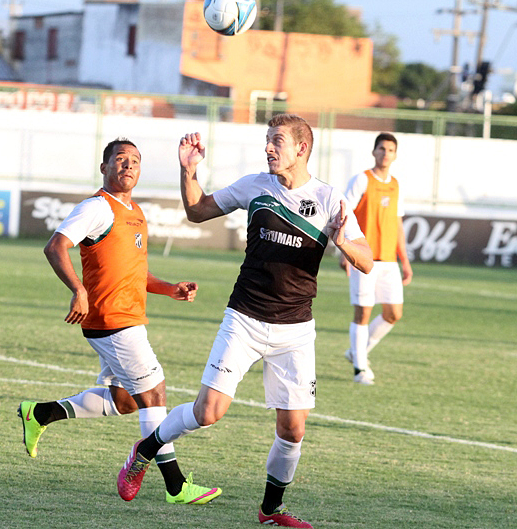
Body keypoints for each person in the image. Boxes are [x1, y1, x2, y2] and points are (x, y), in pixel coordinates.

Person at [116, 115, 373, 528]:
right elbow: (198, 211)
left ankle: (271, 510)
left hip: (295, 331)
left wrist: (343, 243)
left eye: (276, 141)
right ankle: (142, 452)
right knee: (208, 411)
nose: (268, 148)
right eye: (267, 141)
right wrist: (189, 171)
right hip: (245, 319)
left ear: (301, 148)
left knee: (292, 430)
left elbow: (366, 260)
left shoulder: (329, 200)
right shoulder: (255, 186)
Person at [18, 137, 221, 506]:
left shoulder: (135, 212)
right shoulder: (97, 207)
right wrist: (78, 290)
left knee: (125, 400)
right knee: (154, 394)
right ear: (105, 168)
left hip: (125, 318)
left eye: (135, 161)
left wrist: (169, 289)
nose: (128, 165)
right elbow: (55, 246)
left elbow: (135, 272)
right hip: (113, 320)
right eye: (120, 159)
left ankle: (41, 413)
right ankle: (175, 485)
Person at [340, 132, 413, 385]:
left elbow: (397, 223)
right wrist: (345, 251)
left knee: (394, 313)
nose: (385, 153)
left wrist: (405, 260)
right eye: (381, 149)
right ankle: (360, 369)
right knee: (363, 312)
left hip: (389, 261)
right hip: (364, 259)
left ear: (395, 155)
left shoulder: (395, 185)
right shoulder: (362, 180)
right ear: (374, 152)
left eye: (390, 150)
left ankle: (357, 352)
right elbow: (344, 215)